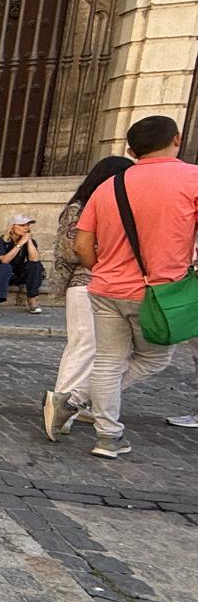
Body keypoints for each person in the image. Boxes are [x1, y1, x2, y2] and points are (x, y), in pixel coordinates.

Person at [70, 115, 198, 458]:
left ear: (131, 149)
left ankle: (107, 435)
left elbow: (82, 245)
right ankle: (79, 403)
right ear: (176, 139)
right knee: (155, 358)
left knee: (108, 362)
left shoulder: (109, 185)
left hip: (106, 288)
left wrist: (107, 271)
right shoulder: (192, 179)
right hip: (161, 292)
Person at [42, 156, 131, 441]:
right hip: (87, 284)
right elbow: (73, 249)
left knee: (96, 349)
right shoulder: (80, 208)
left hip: (101, 284)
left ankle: (76, 403)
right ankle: (63, 406)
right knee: (84, 346)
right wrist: (101, 266)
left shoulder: (102, 206)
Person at [0, 214, 45, 318]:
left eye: (28, 225)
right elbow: (5, 260)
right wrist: (20, 244)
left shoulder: (27, 241)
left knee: (36, 266)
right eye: (22, 225)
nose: (26, 228)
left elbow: (35, 260)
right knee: (5, 267)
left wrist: (29, 240)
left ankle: (32, 298)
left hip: (12, 274)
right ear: (12, 227)